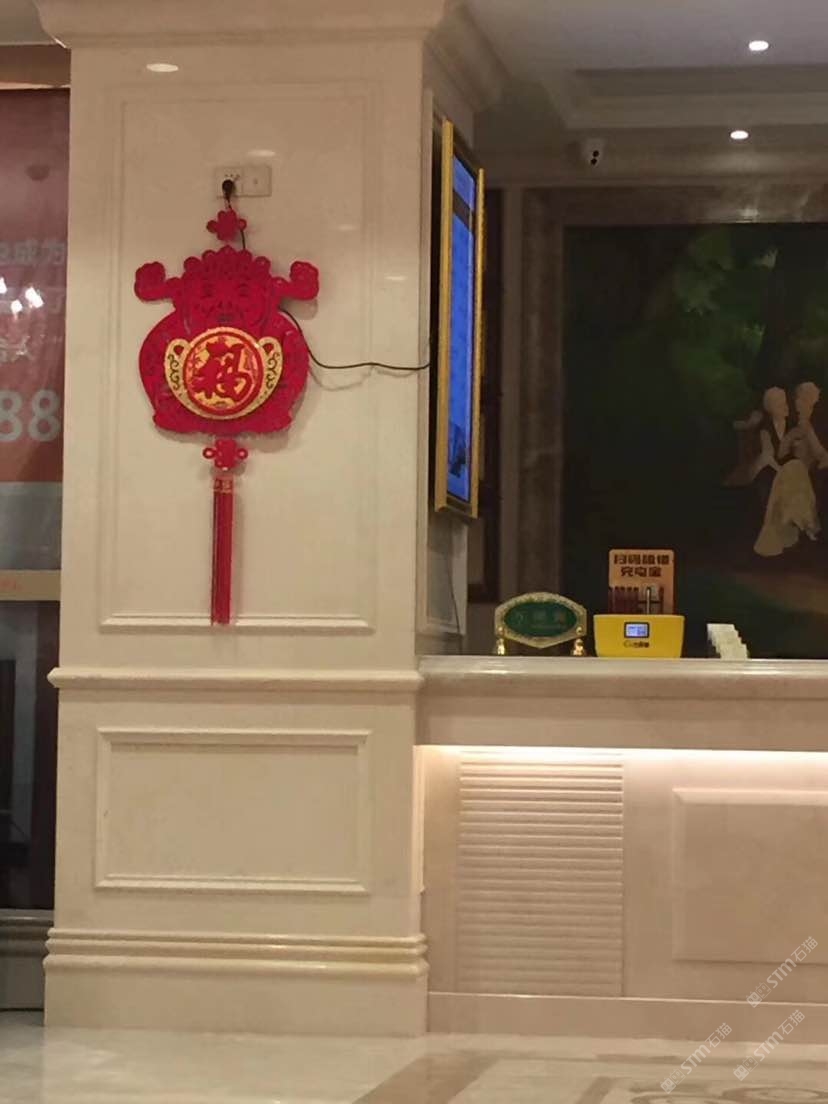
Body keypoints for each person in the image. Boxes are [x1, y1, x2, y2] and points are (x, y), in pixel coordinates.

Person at [753, 383, 825, 557]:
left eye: (785, 402)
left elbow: (809, 452)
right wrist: (782, 466)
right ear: (771, 409)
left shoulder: (794, 424)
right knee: (793, 470)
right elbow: (773, 455)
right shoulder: (766, 429)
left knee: (796, 469)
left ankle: (800, 522)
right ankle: (801, 524)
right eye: (780, 404)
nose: (786, 406)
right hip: (778, 470)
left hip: (794, 471)